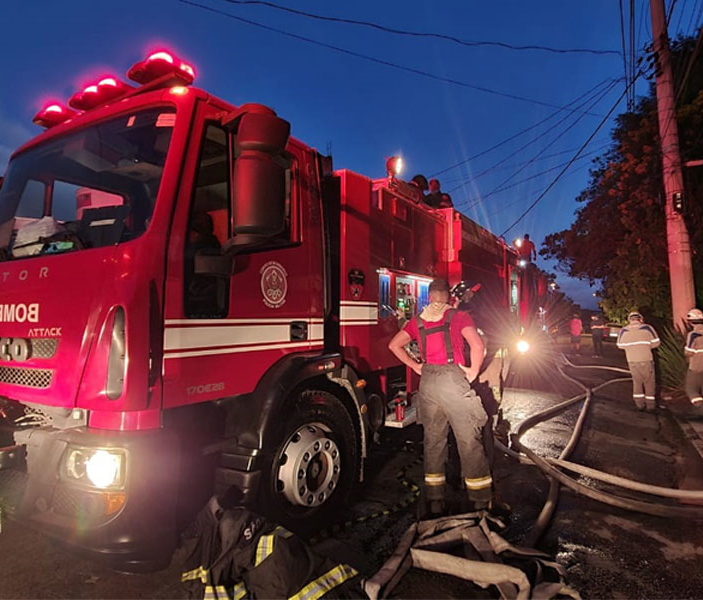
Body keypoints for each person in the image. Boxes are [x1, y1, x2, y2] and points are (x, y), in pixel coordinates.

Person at [388, 279, 492, 516]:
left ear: (430, 295)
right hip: (452, 379)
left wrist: (415, 366)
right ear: (447, 296)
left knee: (433, 442)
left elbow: (394, 345)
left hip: (428, 383)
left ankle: (435, 500)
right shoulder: (459, 317)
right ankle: (480, 500)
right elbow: (477, 345)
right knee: (468, 439)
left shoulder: (417, 321)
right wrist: (473, 371)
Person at [617, 311, 661, 412]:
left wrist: (631, 347)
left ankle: (639, 404)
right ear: (640, 319)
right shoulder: (647, 328)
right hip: (646, 359)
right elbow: (656, 343)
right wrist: (646, 346)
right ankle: (650, 406)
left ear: (629, 320)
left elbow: (620, 345)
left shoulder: (624, 330)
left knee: (637, 382)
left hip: (632, 360)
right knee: (649, 382)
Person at [684, 308, 703, 407]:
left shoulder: (693, 335)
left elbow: (689, 352)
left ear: (691, 322)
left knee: (691, 389)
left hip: (696, 367)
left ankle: (700, 406)